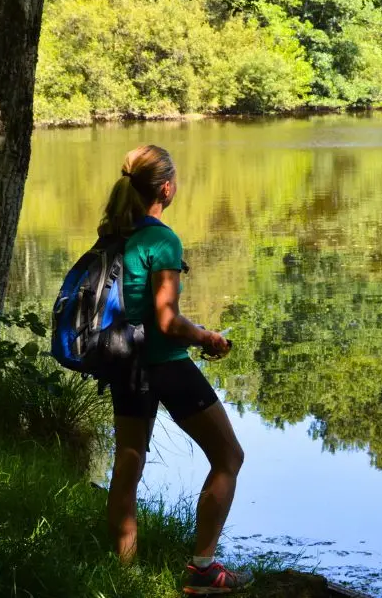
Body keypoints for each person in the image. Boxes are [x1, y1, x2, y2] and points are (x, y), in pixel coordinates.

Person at [100, 145, 252, 595]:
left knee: (128, 464)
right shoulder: (161, 240)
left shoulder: (114, 232)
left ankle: (124, 575)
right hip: (164, 363)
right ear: (166, 188)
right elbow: (167, 322)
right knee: (229, 457)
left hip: (124, 361)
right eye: (176, 179)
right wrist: (207, 338)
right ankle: (203, 568)